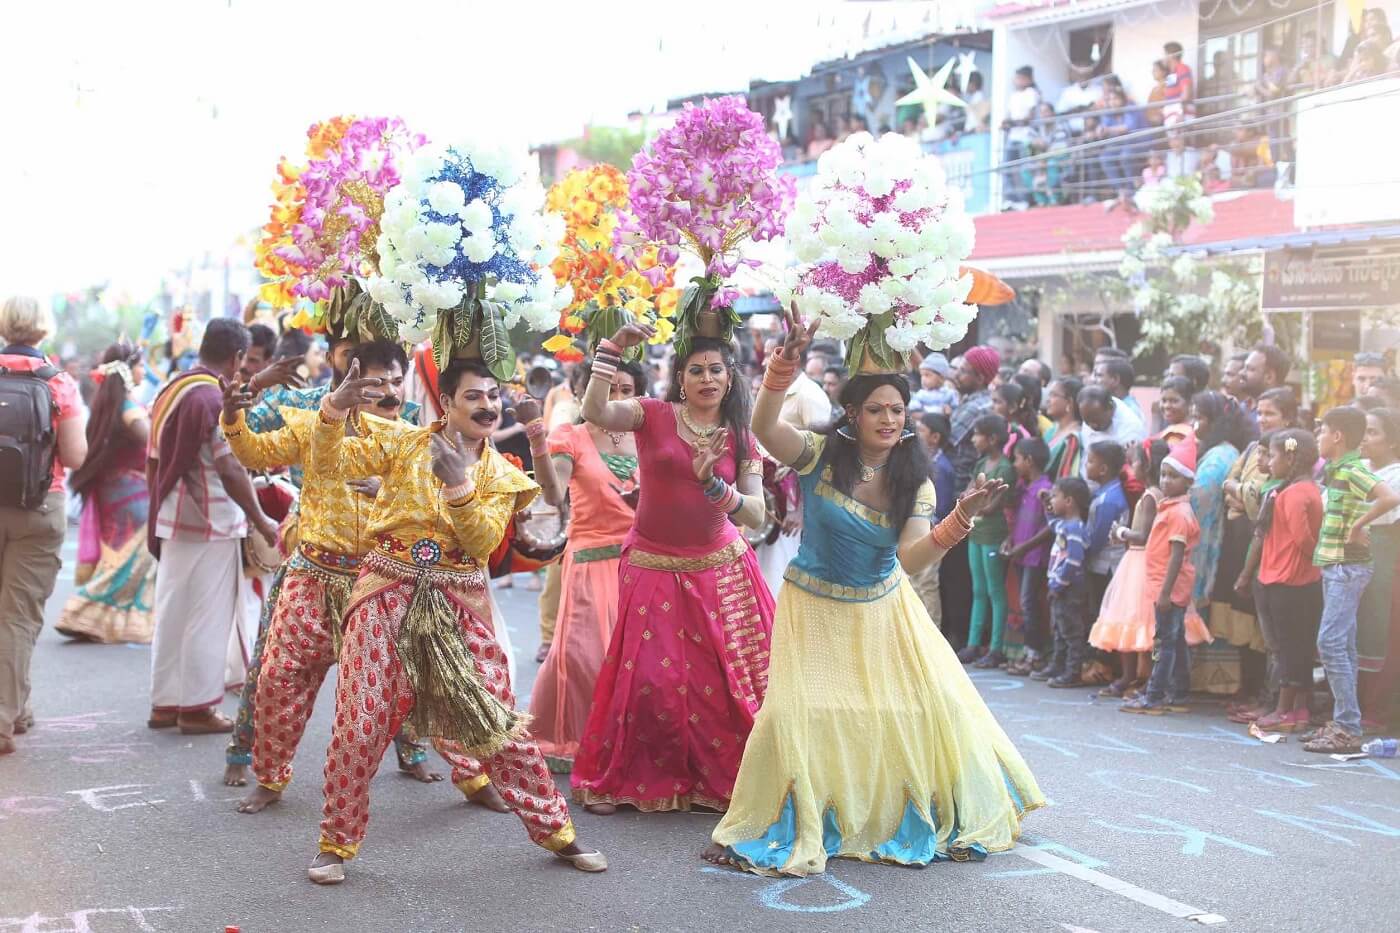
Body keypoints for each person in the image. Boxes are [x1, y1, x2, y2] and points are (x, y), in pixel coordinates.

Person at [706, 312, 1042, 875]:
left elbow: (910, 559)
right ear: (852, 415)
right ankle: (799, 817)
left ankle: (891, 812)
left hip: (884, 610)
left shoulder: (919, 481)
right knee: (790, 716)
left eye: (897, 409)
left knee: (907, 714)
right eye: (876, 409)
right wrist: (784, 363)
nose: (888, 419)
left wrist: (958, 520)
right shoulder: (816, 456)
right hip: (811, 607)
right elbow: (764, 428)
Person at [305, 356, 607, 883]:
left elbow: (484, 542)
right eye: (473, 396)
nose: (488, 406)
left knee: (498, 724)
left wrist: (458, 486)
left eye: (492, 396)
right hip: (386, 592)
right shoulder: (404, 443)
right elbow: (331, 465)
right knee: (362, 720)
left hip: (460, 603)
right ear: (445, 403)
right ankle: (335, 842)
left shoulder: (503, 474)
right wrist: (334, 410)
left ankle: (558, 831)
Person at [219, 340, 492, 813]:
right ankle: (270, 776)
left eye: (394, 380)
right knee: (279, 679)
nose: (388, 391)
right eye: (376, 381)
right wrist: (231, 418)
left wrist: (391, 487)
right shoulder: (313, 423)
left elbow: (437, 503)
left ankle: (470, 774)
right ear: (348, 381)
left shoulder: (410, 437)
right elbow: (254, 454)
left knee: (424, 676)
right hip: (312, 573)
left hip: (380, 583)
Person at [571, 325, 775, 815]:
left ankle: (714, 780)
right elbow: (595, 411)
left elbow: (756, 514)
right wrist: (611, 349)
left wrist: (715, 489)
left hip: (721, 570)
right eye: (696, 370)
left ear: (730, 378)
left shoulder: (741, 437)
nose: (707, 378)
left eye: (716, 370)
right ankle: (632, 776)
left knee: (724, 686)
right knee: (651, 680)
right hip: (652, 563)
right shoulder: (652, 414)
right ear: (680, 378)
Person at [147, 319, 278, 735]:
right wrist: (261, 519)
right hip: (213, 521)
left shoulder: (174, 387)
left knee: (172, 612)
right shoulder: (212, 398)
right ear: (237, 357)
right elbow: (230, 468)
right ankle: (199, 707)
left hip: (173, 516)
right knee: (208, 616)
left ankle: (165, 704)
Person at [527, 359, 643, 771]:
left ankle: (631, 749)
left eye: (626, 390)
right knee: (585, 659)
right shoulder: (570, 436)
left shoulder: (649, 436)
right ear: (584, 394)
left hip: (642, 563)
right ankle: (576, 741)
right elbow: (554, 494)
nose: (617, 398)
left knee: (641, 664)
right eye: (609, 389)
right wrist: (537, 441)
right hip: (590, 557)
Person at [0, 296, 87, 755]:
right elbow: (74, 456)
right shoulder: (58, 383)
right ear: (43, 329)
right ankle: (3, 718)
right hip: (38, 508)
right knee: (17, 616)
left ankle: (18, 705)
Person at [1305, 407, 1400, 753]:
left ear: (1338, 436)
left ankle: (1346, 726)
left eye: (1322, 431)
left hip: (1348, 566)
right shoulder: (1339, 469)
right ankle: (1344, 721)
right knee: (1342, 645)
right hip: (1337, 565)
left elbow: (1390, 497)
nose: (1318, 437)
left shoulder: (1353, 469)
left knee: (1331, 643)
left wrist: (1359, 527)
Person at [55, 342, 155, 644]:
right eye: (139, 365)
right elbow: (152, 443)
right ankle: (82, 610)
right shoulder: (127, 407)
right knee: (135, 559)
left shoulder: (114, 403)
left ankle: (93, 617)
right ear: (126, 369)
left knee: (122, 558)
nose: (144, 371)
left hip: (116, 490)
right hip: (132, 491)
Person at [1219, 387, 1296, 720]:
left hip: (1267, 547)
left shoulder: (1291, 453)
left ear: (1288, 418)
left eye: (1271, 414)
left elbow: (1258, 499)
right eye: (1260, 413)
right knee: (1245, 618)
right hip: (1240, 543)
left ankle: (1269, 697)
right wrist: (1241, 494)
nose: (1263, 419)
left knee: (1268, 629)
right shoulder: (1252, 448)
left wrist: (1243, 495)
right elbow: (1229, 484)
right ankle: (1249, 688)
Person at [1251, 429, 1323, 732]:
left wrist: (1318, 557)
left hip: (1289, 581)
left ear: (1291, 457)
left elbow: (1304, 539)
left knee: (1288, 649)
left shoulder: (1295, 493)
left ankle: (1283, 711)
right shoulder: (1302, 489)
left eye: (1275, 455)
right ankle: (1300, 710)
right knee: (1300, 646)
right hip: (1298, 581)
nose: (1270, 460)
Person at [1121, 441, 1201, 714]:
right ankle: (1179, 694)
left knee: (1163, 643)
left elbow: (1176, 556)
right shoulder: (1171, 507)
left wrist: (1165, 593)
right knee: (1175, 641)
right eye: (1164, 475)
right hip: (1166, 586)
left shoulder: (1178, 513)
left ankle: (1154, 696)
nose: (1166, 481)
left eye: (1173, 476)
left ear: (1188, 480)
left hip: (1168, 589)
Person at [958, 414, 1015, 665]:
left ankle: (996, 647)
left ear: (991, 439)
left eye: (977, 434)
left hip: (993, 533)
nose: (973, 439)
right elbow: (970, 493)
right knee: (978, 590)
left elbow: (991, 506)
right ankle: (973, 644)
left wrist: (971, 503)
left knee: (994, 590)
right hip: (977, 533)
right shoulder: (982, 463)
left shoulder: (1005, 468)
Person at [1359, 408, 1400, 728]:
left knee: (1381, 631)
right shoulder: (1356, 467)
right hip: (1350, 559)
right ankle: (1351, 704)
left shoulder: (1396, 476)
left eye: (1373, 432)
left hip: (1384, 560)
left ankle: (1377, 709)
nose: (1365, 438)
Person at [1004, 437, 1053, 673]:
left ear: (1030, 461)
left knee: (1028, 602)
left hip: (1034, 556)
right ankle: (1029, 651)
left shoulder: (1045, 489)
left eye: (1018, 459)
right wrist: (1010, 541)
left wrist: (1025, 547)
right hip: (1022, 554)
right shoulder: (1024, 487)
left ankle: (1035, 654)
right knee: (1024, 603)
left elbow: (1051, 525)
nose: (1014, 464)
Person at [1042, 477, 1091, 686]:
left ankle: (1072, 672)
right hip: (1061, 587)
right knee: (1060, 628)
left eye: (1055, 496)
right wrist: (1046, 505)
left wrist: (1058, 584)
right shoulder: (1065, 525)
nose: (1052, 500)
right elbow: (1052, 523)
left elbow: (1074, 559)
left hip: (1069, 588)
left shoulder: (1075, 528)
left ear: (1069, 501)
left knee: (1071, 631)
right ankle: (1057, 665)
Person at [1083, 440, 1130, 649]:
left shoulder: (1108, 500)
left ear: (1103, 470)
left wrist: (1082, 555)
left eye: (1090, 461)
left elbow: (1098, 538)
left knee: (1103, 611)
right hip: (1103, 564)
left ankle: (1104, 661)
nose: (1086, 464)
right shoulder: (1104, 492)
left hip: (1106, 565)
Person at [913, 412, 956, 628]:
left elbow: (942, 506)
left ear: (935, 438)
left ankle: (931, 630)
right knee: (914, 582)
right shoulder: (922, 461)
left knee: (927, 582)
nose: (917, 433)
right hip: (917, 530)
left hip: (931, 533)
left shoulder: (942, 468)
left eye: (922, 430)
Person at [1078, 385, 1146, 480]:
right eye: (1087, 421)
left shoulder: (1131, 430)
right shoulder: (1091, 411)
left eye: (1096, 420)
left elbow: (1132, 475)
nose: (1093, 426)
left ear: (1110, 408)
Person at [1095, 88, 1146, 202]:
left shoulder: (1130, 107)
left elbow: (1127, 127)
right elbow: (1104, 127)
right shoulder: (1109, 112)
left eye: (1115, 98)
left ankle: (1131, 190)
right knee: (1105, 158)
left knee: (1125, 156)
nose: (1112, 102)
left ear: (1122, 99)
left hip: (1139, 141)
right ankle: (1121, 190)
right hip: (1121, 143)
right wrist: (1100, 130)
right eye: (1110, 99)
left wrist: (1107, 129)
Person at [1002, 66, 1042, 208]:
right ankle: (1012, 200)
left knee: (1025, 170)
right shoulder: (1013, 96)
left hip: (1027, 137)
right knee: (1006, 169)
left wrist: (1013, 122)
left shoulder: (1032, 93)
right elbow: (1009, 117)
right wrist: (1006, 123)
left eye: (1020, 78)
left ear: (1028, 79)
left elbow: (1028, 118)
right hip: (1013, 136)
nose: (1016, 81)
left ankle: (1027, 200)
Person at [1044, 377, 1084, 480]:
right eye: (1049, 395)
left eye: (1053, 395)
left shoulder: (1075, 436)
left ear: (1069, 402)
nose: (1048, 400)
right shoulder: (1051, 430)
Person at [1161, 40, 1195, 126]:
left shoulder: (1183, 68)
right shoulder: (1171, 73)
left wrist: (1180, 114)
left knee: (1177, 139)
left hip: (1179, 115)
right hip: (1172, 113)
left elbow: (1186, 94)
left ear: (1171, 55)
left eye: (1164, 54)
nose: (1163, 58)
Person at [1154, 376, 1196, 445]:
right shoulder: (1173, 428)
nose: (1166, 406)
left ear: (1189, 403)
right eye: (1163, 401)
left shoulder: (1177, 435)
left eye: (1174, 401)